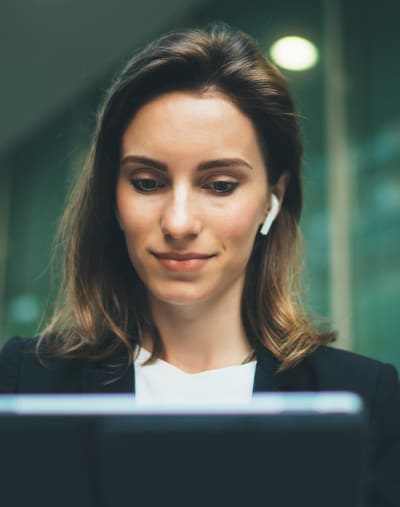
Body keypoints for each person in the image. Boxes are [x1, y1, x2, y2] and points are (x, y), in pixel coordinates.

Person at [0, 22, 399, 505]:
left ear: (272, 200)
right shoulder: (24, 381)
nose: (180, 222)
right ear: (112, 197)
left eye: (220, 185)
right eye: (148, 182)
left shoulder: (363, 398)